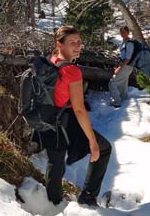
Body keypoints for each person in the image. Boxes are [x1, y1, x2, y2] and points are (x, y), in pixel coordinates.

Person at [38, 26, 112, 207]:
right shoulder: (72, 71)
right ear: (59, 44)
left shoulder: (50, 60)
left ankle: (53, 204)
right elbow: (79, 109)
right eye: (73, 43)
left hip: (46, 116)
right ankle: (87, 197)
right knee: (102, 149)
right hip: (65, 119)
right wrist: (92, 141)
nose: (78, 46)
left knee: (55, 162)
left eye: (79, 42)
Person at [109, 26, 137, 107]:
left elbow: (128, 58)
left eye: (124, 32)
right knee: (123, 83)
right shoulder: (123, 43)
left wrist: (119, 68)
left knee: (112, 83)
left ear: (128, 32)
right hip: (126, 65)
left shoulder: (130, 43)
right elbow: (122, 56)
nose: (122, 34)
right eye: (121, 32)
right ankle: (123, 99)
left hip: (127, 65)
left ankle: (117, 102)